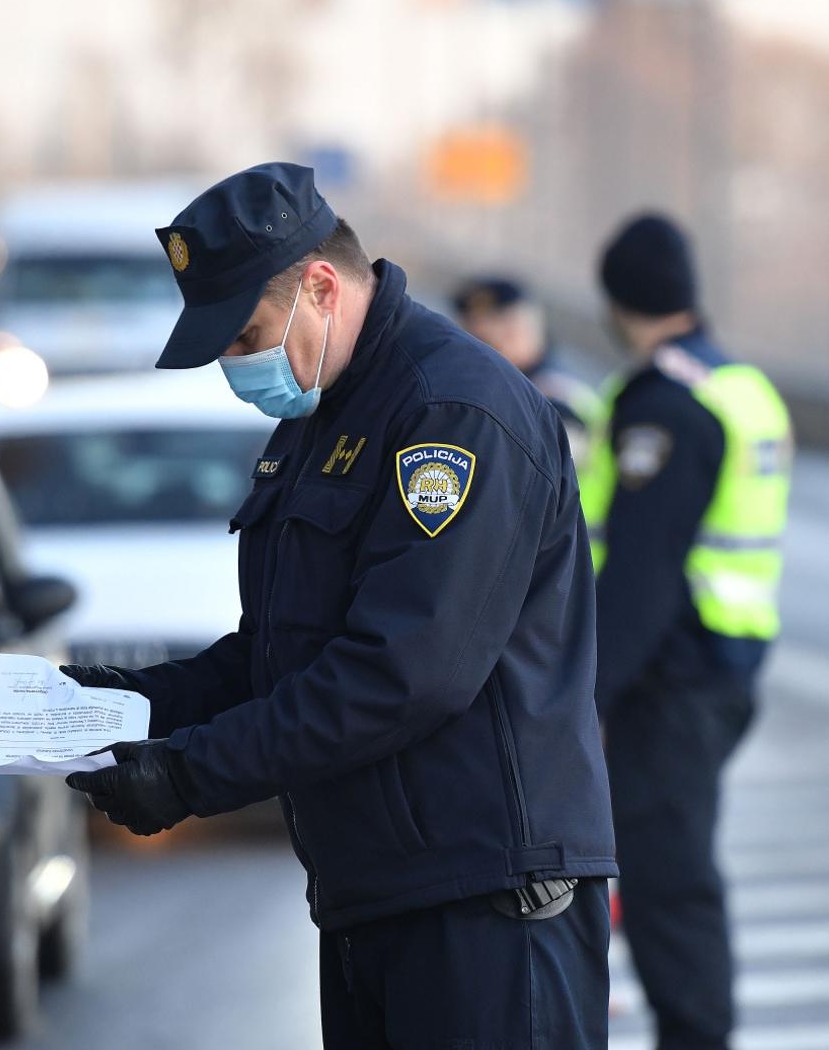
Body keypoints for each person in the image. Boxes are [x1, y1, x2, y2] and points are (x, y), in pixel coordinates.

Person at [61, 162, 617, 1047]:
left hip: (484, 903)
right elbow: (278, 654)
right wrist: (117, 704)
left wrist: (188, 773)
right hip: (379, 894)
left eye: (246, 334)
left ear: (321, 286)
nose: (238, 367)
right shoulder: (326, 413)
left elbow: (401, 673)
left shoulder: (453, 414)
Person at [582, 213, 791, 1050]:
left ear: (616, 300)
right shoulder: (740, 385)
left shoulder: (665, 406)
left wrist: (582, 699)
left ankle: (698, 1038)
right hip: (724, 669)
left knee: (671, 884)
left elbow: (639, 577)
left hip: (670, 682)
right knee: (677, 872)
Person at [452, 275, 603, 468]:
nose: (497, 337)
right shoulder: (490, 388)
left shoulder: (558, 398)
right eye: (477, 334)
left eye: (507, 325)